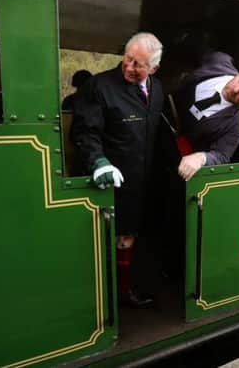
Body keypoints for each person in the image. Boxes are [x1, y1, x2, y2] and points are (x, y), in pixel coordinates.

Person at [70, 32, 164, 307]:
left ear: (154, 69)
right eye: (127, 58)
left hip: (142, 178)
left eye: (138, 64)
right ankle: (108, 297)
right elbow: (85, 132)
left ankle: (123, 291)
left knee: (132, 236)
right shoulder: (98, 87)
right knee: (114, 238)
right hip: (111, 178)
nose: (129, 67)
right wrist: (98, 162)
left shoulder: (158, 89)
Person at [173, 50, 239, 181]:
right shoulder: (220, 60)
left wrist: (201, 158)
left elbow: (221, 155)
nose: (236, 90)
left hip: (177, 150)